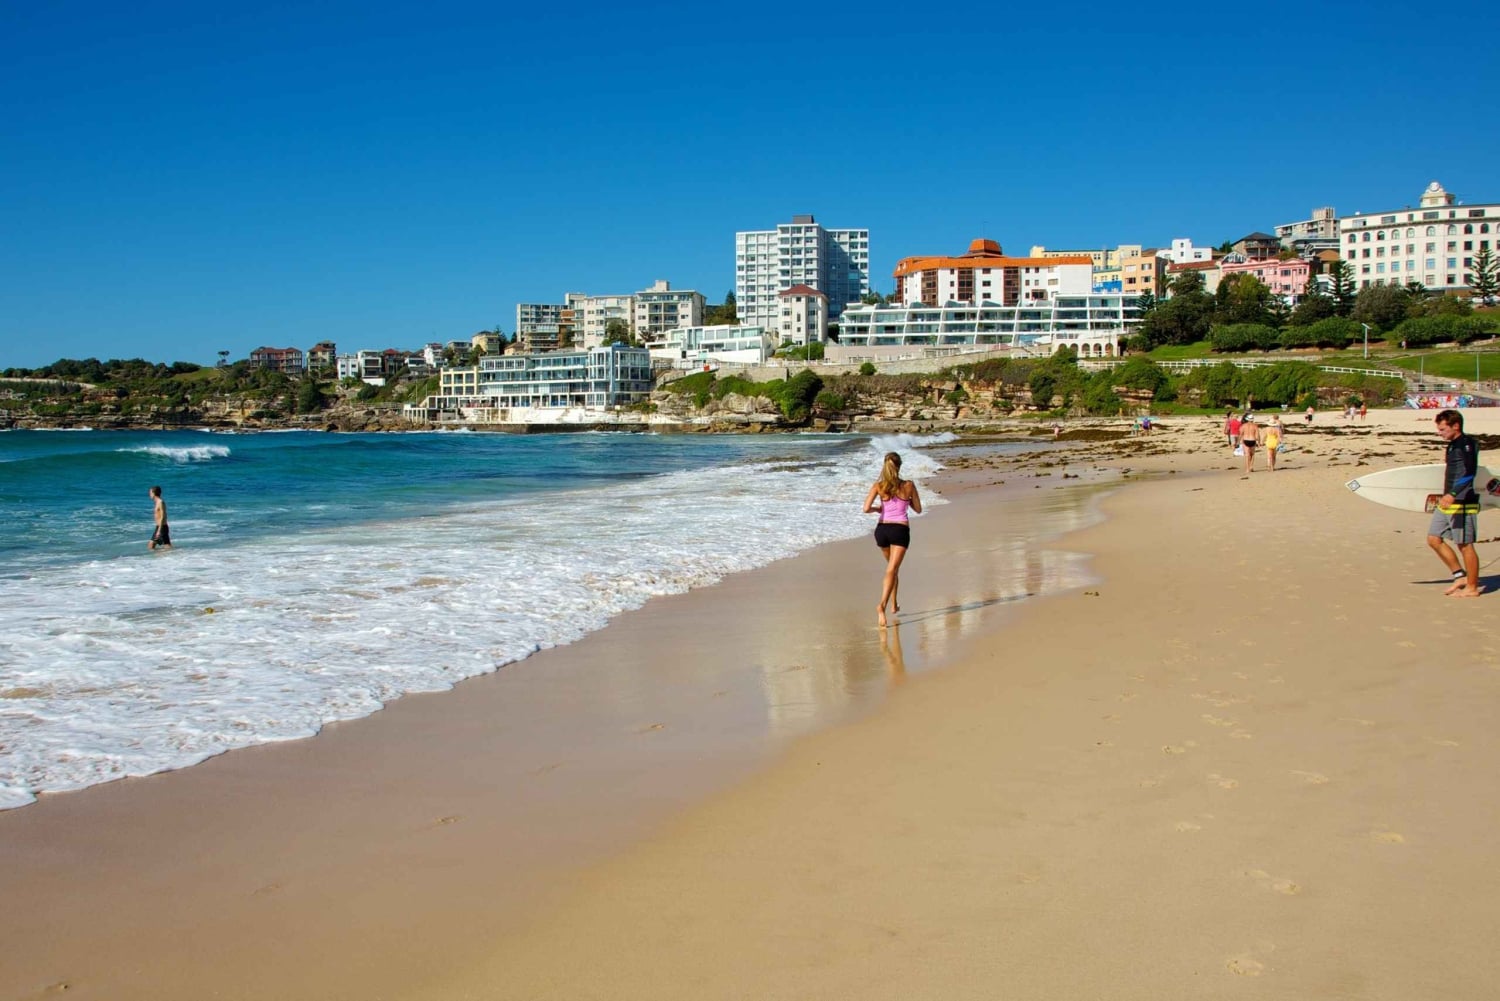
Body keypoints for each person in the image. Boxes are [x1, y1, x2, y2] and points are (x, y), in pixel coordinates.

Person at [1426, 409, 1482, 597]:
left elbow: (1470, 473)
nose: (1439, 433)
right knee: (1434, 539)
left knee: (1465, 544)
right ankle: (1460, 576)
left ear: (1455, 426)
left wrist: (1453, 494)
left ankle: (1472, 587)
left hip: (1462, 501)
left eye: (1442, 429)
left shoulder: (1467, 444)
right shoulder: (1452, 446)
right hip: (1448, 500)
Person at [862, 451, 922, 627]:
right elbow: (918, 509)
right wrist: (907, 501)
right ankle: (881, 606)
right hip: (899, 530)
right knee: (891, 570)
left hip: (882, 530)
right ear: (899, 466)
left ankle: (894, 604)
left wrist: (878, 509)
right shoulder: (908, 485)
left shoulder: (879, 486)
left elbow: (865, 509)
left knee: (892, 569)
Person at [148, 485, 172, 550]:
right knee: (167, 545)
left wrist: (159, 530)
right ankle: (173, 553)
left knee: (151, 545)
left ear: (154, 493)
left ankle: (173, 553)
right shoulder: (157, 502)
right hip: (160, 527)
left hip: (162, 527)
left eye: (150, 493)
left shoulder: (160, 502)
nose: (149, 494)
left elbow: (163, 516)